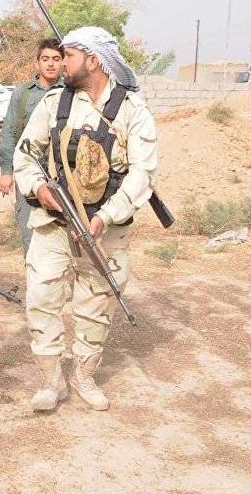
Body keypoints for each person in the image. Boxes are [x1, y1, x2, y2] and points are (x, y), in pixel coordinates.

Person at [13, 26, 158, 412]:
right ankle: (51, 380)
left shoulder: (133, 112)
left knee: (96, 305)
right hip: (53, 225)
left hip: (104, 231)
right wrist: (38, 188)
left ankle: (84, 375)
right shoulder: (54, 103)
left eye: (70, 56)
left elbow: (143, 175)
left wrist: (105, 217)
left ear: (93, 61)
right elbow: (25, 154)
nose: (62, 63)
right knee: (42, 299)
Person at [0, 39, 65, 252]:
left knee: (63, 231)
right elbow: (9, 132)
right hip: (29, 170)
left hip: (62, 175)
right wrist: (6, 172)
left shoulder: (70, 92)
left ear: (63, 63)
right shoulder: (22, 93)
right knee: (30, 231)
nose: (51, 64)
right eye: (45, 59)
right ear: (37, 63)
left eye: (56, 59)